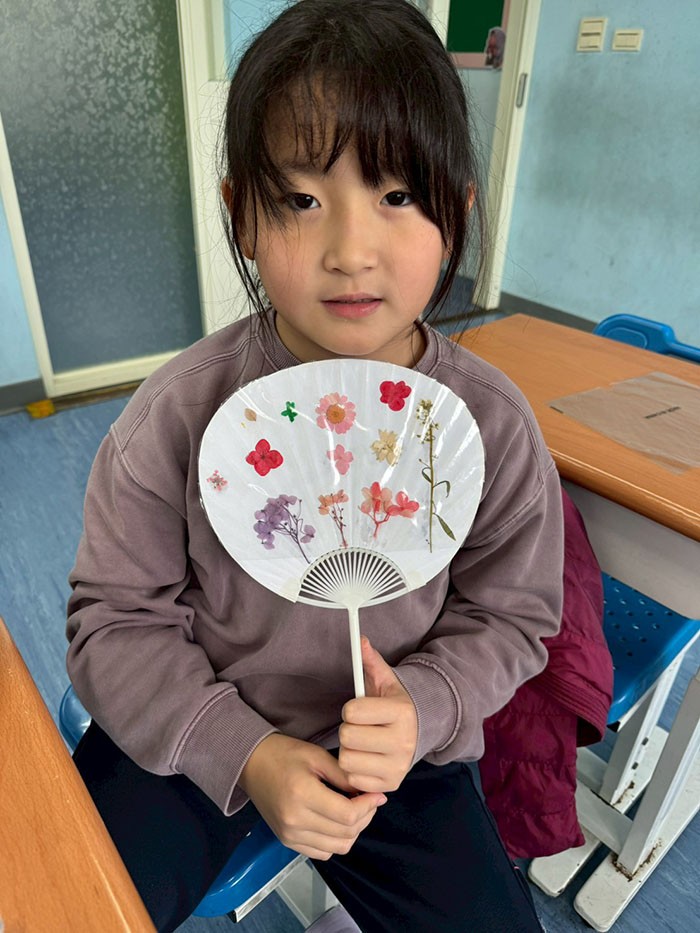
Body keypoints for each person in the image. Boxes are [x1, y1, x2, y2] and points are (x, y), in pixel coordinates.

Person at [67, 2, 563, 930]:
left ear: (455, 212)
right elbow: (113, 621)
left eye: (397, 195)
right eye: (300, 200)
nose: (350, 251)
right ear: (242, 217)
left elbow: (513, 614)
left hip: (395, 751)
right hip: (198, 718)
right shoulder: (178, 414)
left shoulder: (488, 427)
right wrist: (243, 749)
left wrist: (426, 704)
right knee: (64, 903)